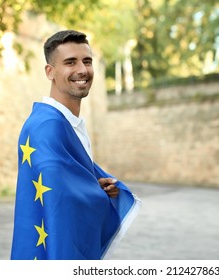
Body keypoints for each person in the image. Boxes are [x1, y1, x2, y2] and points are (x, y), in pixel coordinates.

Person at [10, 30, 140, 260]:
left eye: (87, 61)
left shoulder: (65, 123)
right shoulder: (47, 126)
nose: (82, 70)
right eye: (70, 62)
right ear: (50, 72)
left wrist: (91, 183)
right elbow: (57, 200)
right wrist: (94, 192)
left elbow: (59, 181)